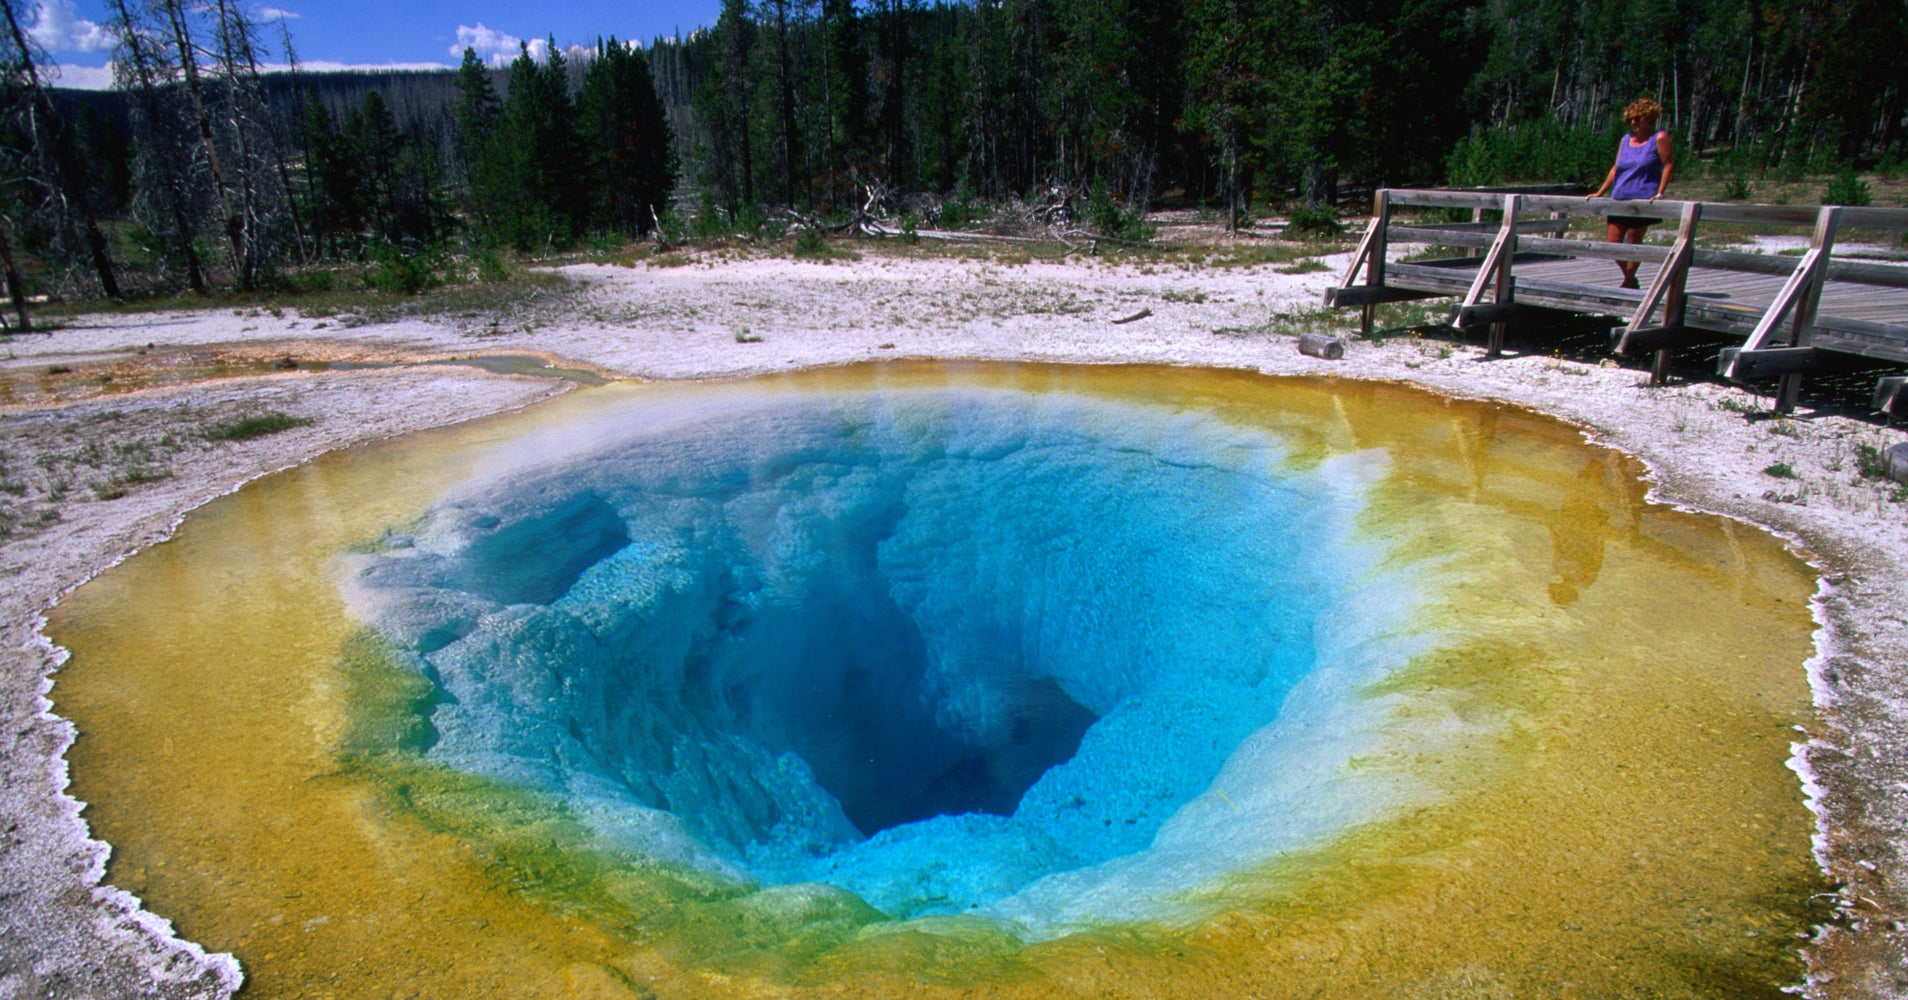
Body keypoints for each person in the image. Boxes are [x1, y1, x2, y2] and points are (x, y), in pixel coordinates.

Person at [1586, 98, 1675, 289]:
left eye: (1637, 118)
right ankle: (1630, 279)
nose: (1633, 123)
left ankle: (1628, 283)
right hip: (1620, 196)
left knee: (1634, 243)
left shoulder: (1659, 138)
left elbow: (1667, 165)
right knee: (1613, 244)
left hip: (1642, 198)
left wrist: (1660, 193)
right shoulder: (1626, 140)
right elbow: (1616, 167)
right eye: (1630, 119)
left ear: (1648, 118)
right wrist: (1600, 192)